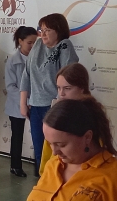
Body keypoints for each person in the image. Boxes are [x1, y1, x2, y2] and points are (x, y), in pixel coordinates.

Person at [21, 14, 79, 177]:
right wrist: (23, 102)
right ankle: (43, 181)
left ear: (58, 30)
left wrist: (61, 104)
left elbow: (68, 78)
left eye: (48, 30)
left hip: (54, 106)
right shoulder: (38, 44)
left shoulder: (64, 46)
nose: (43, 34)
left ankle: (56, 181)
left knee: (56, 151)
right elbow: (26, 74)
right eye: (42, 30)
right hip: (35, 106)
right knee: (39, 149)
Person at [37, 63, 93, 174]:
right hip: (54, 171)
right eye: (58, 88)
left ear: (82, 88)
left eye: (67, 88)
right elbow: (47, 150)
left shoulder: (91, 116)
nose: (61, 93)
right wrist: (44, 173)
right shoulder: (57, 111)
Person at [6, 25, 37, 177]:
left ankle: (40, 166)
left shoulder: (38, 58)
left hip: (36, 103)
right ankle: (15, 166)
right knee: (17, 136)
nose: (33, 46)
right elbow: (10, 87)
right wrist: (25, 101)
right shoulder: (12, 61)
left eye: (35, 42)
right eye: (29, 42)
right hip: (17, 105)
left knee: (38, 136)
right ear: (20, 41)